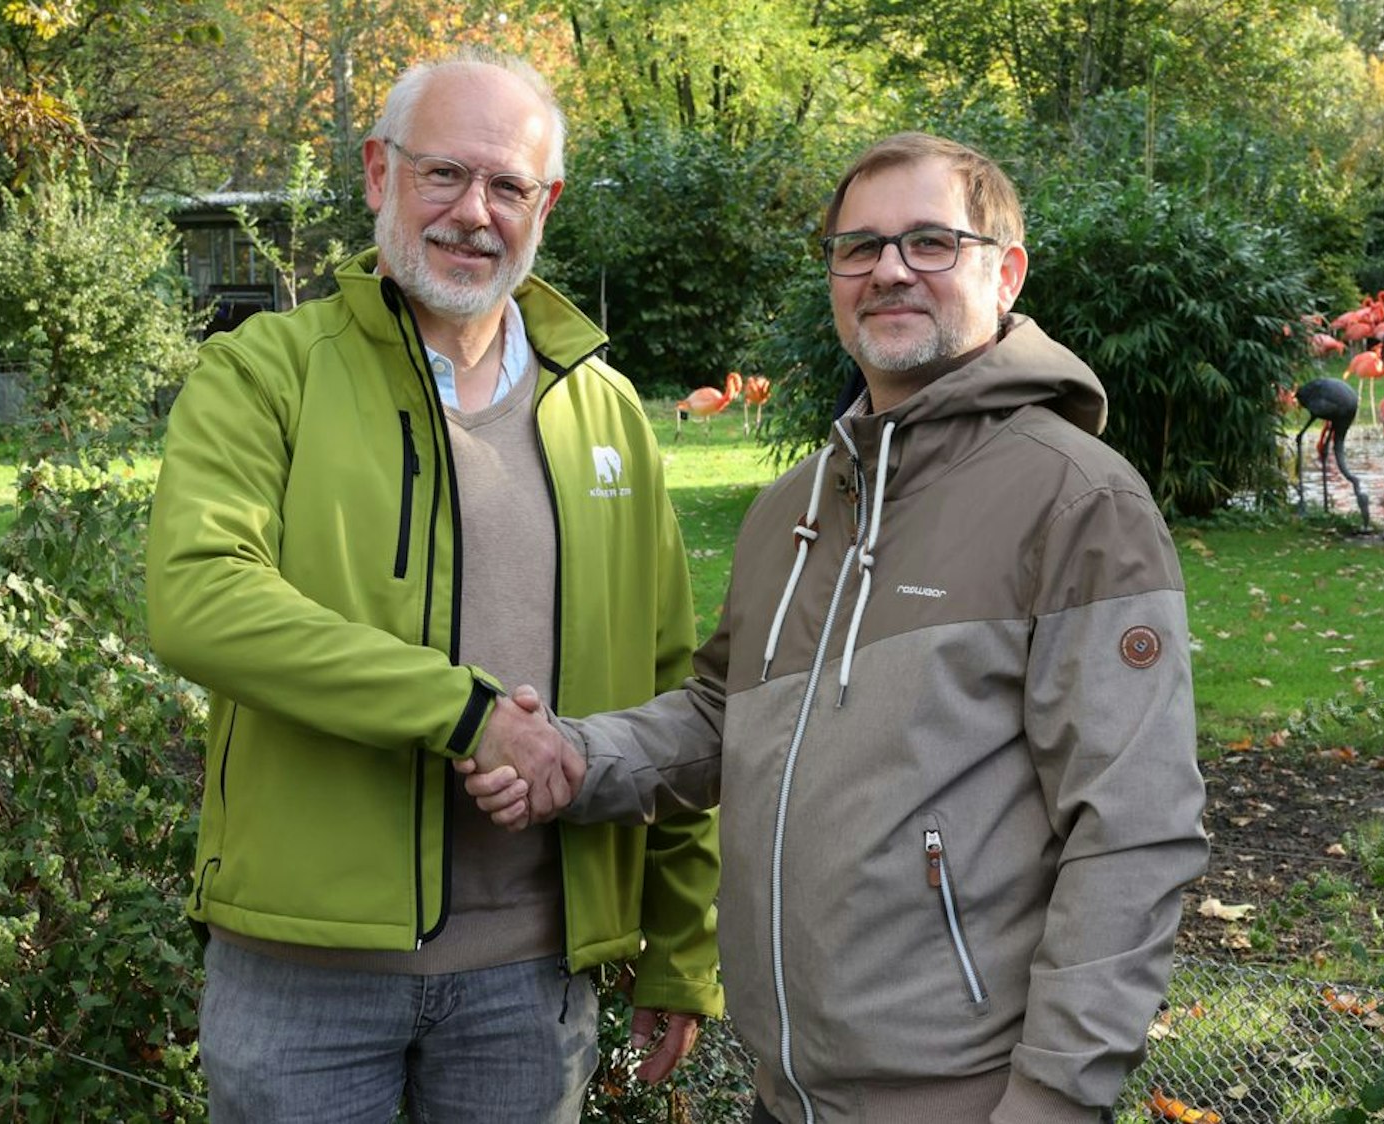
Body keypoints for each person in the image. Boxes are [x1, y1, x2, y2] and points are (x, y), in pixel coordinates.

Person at [463, 132, 1209, 1124]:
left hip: (971, 1099)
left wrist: (1055, 1094)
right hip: (788, 1090)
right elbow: (721, 715)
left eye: (930, 241)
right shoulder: (794, 508)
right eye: (857, 247)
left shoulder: (1076, 499)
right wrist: (575, 753)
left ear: (1005, 269)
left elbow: (1133, 827)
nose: (889, 268)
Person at [145, 48, 722, 1123]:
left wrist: (680, 944)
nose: (474, 212)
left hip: (532, 975)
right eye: (443, 174)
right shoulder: (265, 372)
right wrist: (467, 717)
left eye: (508, 185)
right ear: (378, 174)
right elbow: (199, 597)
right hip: (302, 973)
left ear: (543, 204)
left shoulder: (606, 413)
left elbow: (670, 689)